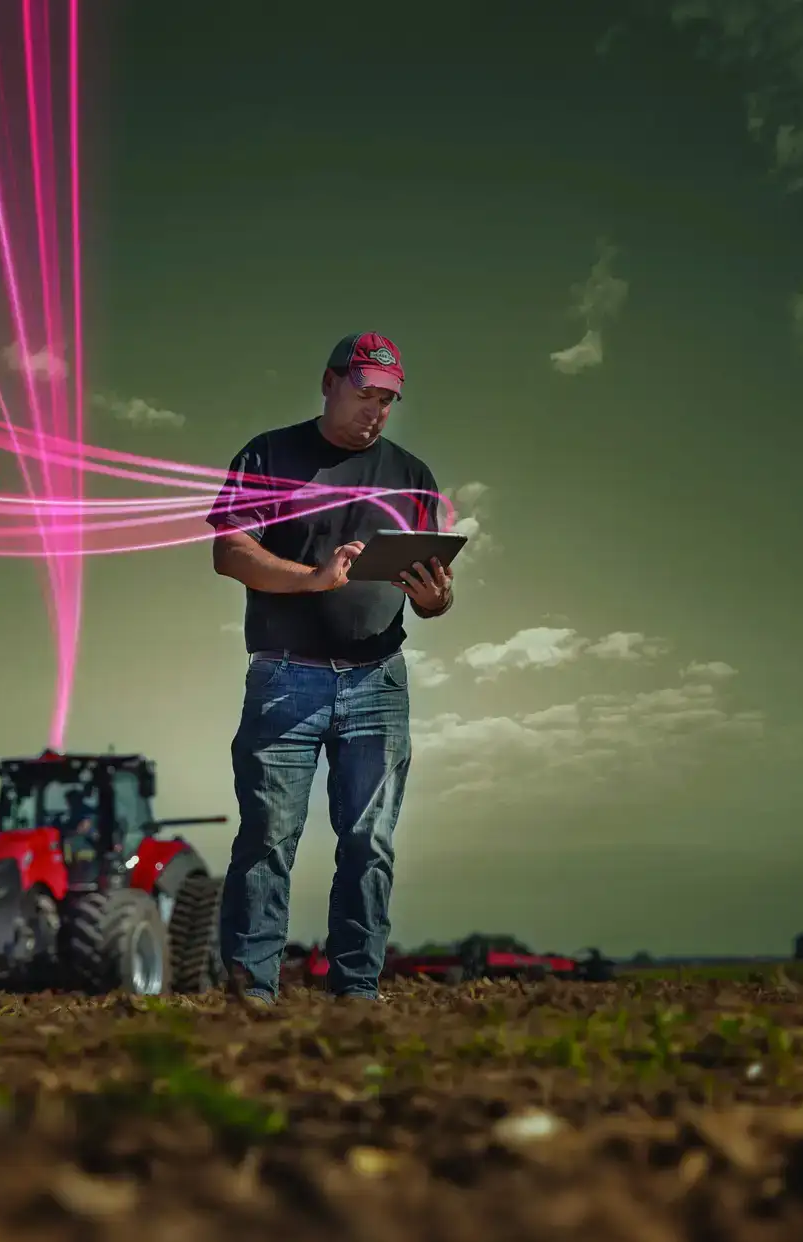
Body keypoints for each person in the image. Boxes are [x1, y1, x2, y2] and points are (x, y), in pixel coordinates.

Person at [208, 331, 455, 1004]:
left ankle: (357, 993)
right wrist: (311, 579)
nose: (375, 410)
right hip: (286, 678)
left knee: (369, 842)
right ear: (329, 382)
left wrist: (436, 600)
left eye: (388, 399)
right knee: (268, 837)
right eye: (364, 393)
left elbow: (433, 589)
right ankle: (251, 994)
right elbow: (229, 552)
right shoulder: (269, 453)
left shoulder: (413, 476)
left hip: (379, 679)